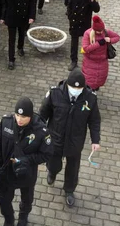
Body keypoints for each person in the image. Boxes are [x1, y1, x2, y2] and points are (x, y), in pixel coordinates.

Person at [0, 98, 53, 226]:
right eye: (17, 115)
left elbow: (47, 153)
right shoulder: (6, 122)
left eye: (24, 117)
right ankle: (8, 221)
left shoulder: (41, 130)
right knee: (4, 200)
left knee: (27, 199)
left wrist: (28, 160)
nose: (19, 119)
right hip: (6, 173)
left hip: (27, 174)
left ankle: (23, 219)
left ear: (31, 116)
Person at [40, 68, 101, 207]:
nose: (76, 90)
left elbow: (94, 120)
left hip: (75, 141)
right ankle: (52, 172)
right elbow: (43, 114)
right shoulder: (55, 94)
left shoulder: (90, 98)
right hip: (55, 138)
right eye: (73, 87)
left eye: (79, 88)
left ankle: (69, 190)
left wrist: (95, 140)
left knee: (73, 168)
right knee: (54, 163)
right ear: (67, 84)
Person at [67, 0, 100, 71]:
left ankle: (89, 60)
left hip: (84, 23)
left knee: (87, 43)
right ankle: (73, 61)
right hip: (74, 22)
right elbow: (69, 5)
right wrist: (69, 16)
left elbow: (97, 9)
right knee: (74, 43)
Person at [2, 0, 36, 70]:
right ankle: (11, 59)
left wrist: (32, 16)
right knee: (11, 39)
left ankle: (20, 47)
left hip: (23, 16)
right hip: (12, 16)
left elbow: (32, 2)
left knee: (21, 34)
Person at [82, 16, 120, 93]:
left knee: (99, 80)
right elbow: (86, 48)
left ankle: (94, 91)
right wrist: (99, 43)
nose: (100, 32)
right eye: (98, 31)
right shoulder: (87, 34)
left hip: (102, 61)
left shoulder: (106, 32)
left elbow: (117, 37)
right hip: (90, 62)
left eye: (101, 30)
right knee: (89, 81)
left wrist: (110, 40)